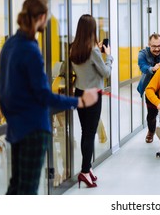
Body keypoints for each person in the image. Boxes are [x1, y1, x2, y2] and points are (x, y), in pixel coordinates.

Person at [0, 0, 98, 194]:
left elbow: (3, 90)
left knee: (16, 187)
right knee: (28, 190)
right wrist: (80, 101)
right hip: (33, 130)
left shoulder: (9, 45)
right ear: (42, 17)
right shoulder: (30, 50)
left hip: (16, 128)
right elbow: (44, 96)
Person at [70, 14, 113, 188]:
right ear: (92, 29)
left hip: (79, 92)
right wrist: (108, 56)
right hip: (93, 95)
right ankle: (85, 171)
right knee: (90, 132)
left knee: (85, 132)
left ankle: (87, 167)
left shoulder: (73, 47)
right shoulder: (93, 50)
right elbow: (106, 72)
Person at [137, 33, 160, 143]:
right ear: (149, 45)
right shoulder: (142, 53)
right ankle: (151, 131)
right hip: (150, 89)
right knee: (151, 114)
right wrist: (153, 68)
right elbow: (143, 67)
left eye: (159, 46)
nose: (157, 49)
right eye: (154, 46)